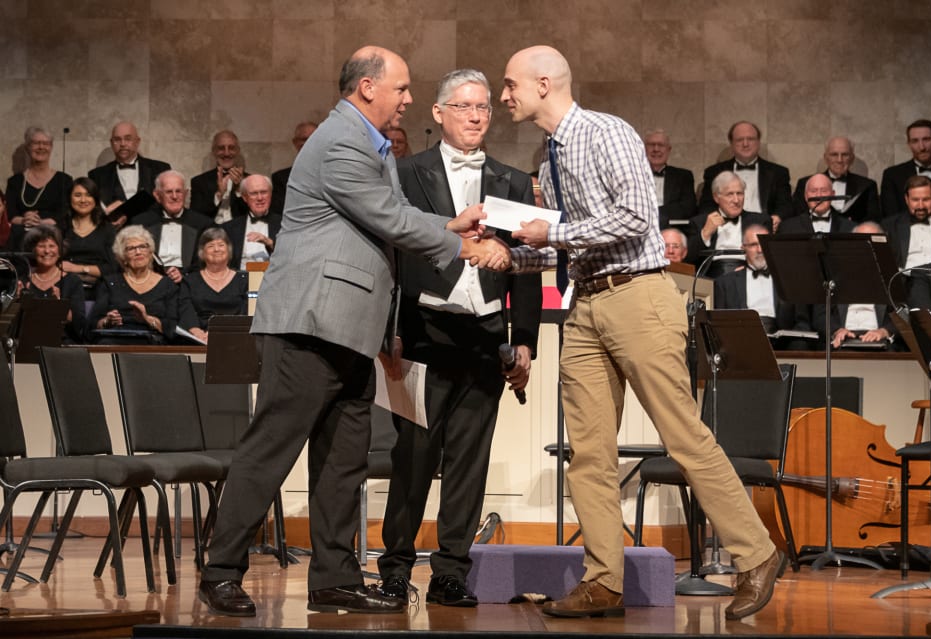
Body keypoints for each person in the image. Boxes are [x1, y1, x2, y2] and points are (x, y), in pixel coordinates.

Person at [197, 45, 509, 619]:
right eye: (402, 87)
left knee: (343, 460)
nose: (409, 98)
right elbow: (385, 217)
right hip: (311, 324)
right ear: (367, 87)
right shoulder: (341, 139)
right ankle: (220, 571)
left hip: (351, 329)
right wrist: (461, 244)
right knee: (271, 451)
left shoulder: (368, 143)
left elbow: (386, 211)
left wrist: (446, 221)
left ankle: (334, 579)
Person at [501, 45, 783, 621]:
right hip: (586, 305)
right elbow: (568, 247)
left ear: (545, 82)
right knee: (589, 451)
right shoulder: (548, 156)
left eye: (511, 84)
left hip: (639, 295)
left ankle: (755, 553)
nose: (505, 95)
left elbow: (634, 218)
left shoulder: (607, 133)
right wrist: (503, 256)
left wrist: (549, 235)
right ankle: (603, 579)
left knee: (683, 435)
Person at [375, 69, 542, 608]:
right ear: (439, 113)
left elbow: (530, 267)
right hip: (422, 332)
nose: (476, 116)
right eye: (465, 106)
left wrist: (526, 340)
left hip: (485, 334)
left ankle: (451, 571)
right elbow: (391, 259)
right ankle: (396, 568)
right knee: (414, 457)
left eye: (485, 107)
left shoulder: (514, 180)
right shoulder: (404, 173)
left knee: (470, 459)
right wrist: (390, 331)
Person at [714, 224, 812, 350]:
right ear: (743, 248)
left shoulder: (790, 280)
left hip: (781, 344)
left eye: (764, 244)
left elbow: (802, 322)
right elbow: (719, 325)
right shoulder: (726, 283)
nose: (760, 250)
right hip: (741, 344)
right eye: (754, 245)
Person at [88, 225, 178, 345]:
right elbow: (93, 323)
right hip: (115, 339)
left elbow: (172, 326)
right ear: (123, 257)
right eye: (131, 248)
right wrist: (107, 321)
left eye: (142, 246)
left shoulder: (167, 285)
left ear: (151, 252)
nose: (138, 252)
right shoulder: (109, 283)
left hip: (154, 340)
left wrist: (146, 319)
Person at [818, 221, 900, 351]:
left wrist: (884, 331)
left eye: (870, 241)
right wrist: (836, 330)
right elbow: (820, 314)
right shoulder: (834, 275)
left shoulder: (894, 276)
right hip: (843, 337)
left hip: (879, 339)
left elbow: (905, 314)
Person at [698, 121, 792, 230]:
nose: (745, 144)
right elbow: (706, 206)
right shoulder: (714, 172)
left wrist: (778, 217)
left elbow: (786, 206)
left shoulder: (779, 172)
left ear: (758, 142)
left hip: (765, 229)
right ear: (731, 143)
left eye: (750, 139)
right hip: (726, 227)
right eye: (739, 140)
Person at [133, 170, 213, 283]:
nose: (174, 196)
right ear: (157, 195)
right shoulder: (141, 223)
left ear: (186, 193)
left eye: (179, 191)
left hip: (190, 283)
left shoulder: (203, 224)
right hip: (150, 282)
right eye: (169, 192)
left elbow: (207, 261)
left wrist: (184, 274)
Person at [687, 171, 771, 278]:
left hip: (747, 275)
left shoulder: (760, 222)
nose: (736, 200)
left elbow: (770, 258)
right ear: (716, 197)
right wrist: (705, 234)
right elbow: (688, 259)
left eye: (739, 193)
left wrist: (750, 268)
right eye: (730, 194)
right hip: (710, 278)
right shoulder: (699, 222)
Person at [87, 121, 171, 227]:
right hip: (115, 236)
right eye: (117, 139)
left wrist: (127, 208)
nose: (122, 144)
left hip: (152, 232)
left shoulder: (160, 169)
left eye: (128, 139)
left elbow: (166, 205)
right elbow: (95, 213)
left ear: (137, 142)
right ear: (112, 143)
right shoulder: (96, 175)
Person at [5, 126, 72, 250]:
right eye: (36, 143)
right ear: (27, 148)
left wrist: (41, 222)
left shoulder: (64, 180)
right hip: (20, 242)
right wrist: (25, 220)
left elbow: (65, 215)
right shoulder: (15, 182)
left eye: (46, 143)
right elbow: (10, 216)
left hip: (53, 241)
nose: (41, 147)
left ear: (51, 147)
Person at [178, 227, 248, 344]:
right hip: (199, 339)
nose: (216, 249)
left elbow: (247, 312)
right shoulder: (189, 281)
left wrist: (219, 333)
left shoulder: (245, 280)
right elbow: (186, 310)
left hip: (236, 338)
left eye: (221, 245)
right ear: (202, 252)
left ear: (229, 250)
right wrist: (197, 333)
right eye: (210, 246)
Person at [880, 119, 931, 218]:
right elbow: (890, 218)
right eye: (915, 141)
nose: (921, 147)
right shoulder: (892, 176)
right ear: (909, 144)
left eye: (926, 139)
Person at [19, 226, 86, 344]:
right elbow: (13, 323)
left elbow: (79, 324)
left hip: (62, 342)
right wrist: (18, 302)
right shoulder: (23, 281)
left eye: (52, 246)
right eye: (41, 246)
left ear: (59, 251)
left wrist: (59, 307)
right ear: (33, 250)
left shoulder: (73, 281)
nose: (47, 251)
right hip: (28, 340)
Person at [791, 136, 880, 224]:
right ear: (826, 158)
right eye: (834, 154)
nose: (839, 160)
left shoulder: (867, 186)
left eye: (845, 155)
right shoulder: (805, 184)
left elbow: (873, 221)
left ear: (852, 158)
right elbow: (798, 218)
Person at [60, 177, 118, 300]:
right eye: (77, 195)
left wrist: (78, 268)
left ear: (95, 199)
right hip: (66, 286)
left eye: (88, 195)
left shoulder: (107, 229)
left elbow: (112, 268)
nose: (83, 200)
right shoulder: (61, 227)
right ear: (69, 198)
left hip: (100, 288)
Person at [881, 175, 931, 269]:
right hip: (907, 279)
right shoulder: (890, 226)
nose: (920, 206)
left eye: (926, 199)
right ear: (906, 199)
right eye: (915, 200)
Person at [222, 174, 281, 269]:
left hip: (274, 280)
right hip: (240, 281)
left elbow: (292, 257)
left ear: (271, 194)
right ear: (245, 197)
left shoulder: (284, 224)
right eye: (254, 193)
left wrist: (270, 244)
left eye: (264, 192)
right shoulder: (229, 228)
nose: (260, 198)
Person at [190, 130, 249, 223]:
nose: (226, 153)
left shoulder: (251, 181)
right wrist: (219, 194)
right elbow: (195, 217)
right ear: (214, 151)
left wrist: (239, 189)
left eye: (231, 148)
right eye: (221, 148)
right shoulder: (199, 182)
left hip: (240, 234)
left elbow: (253, 215)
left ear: (238, 151)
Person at [643, 129, 696, 229]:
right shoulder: (634, 175)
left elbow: (688, 208)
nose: (656, 149)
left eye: (661, 145)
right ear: (643, 149)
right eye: (651, 144)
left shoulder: (683, 176)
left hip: (673, 229)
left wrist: (653, 213)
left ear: (669, 150)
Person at [779, 173, 856, 234]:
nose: (819, 196)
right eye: (813, 191)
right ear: (806, 196)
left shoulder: (850, 227)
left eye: (824, 191)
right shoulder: (787, 227)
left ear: (833, 194)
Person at [271, 121, 318, 216]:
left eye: (314, 138)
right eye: (304, 139)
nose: (309, 142)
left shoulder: (331, 174)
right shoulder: (280, 178)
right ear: (295, 143)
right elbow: (279, 212)